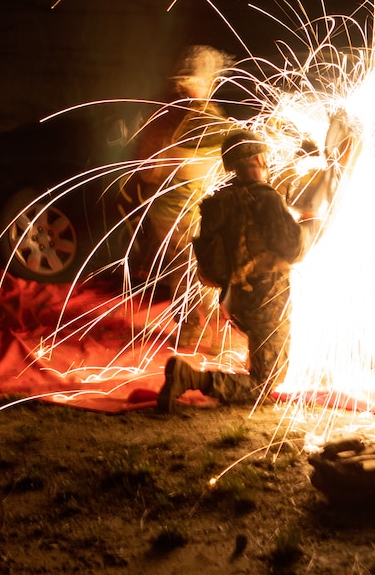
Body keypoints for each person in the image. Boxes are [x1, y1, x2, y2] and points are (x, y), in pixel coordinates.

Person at [157, 129, 319, 409]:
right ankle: (191, 378)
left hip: (235, 299)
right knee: (265, 382)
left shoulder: (219, 200)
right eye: (265, 157)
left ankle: (249, 362)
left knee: (264, 353)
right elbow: (293, 249)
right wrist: (312, 223)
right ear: (257, 158)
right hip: (267, 298)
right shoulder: (265, 198)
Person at [128, 45, 233, 293]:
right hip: (188, 214)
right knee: (198, 277)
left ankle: (187, 318)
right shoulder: (203, 117)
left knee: (181, 270)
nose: (212, 87)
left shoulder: (162, 111)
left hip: (162, 211)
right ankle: (192, 326)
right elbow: (235, 149)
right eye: (210, 81)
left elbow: (146, 168)